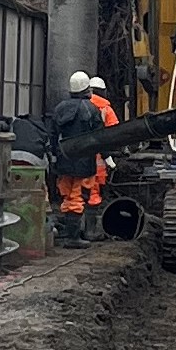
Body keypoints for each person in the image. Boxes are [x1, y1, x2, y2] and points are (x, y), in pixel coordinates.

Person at [46, 71, 100, 244]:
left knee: (67, 195)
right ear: (86, 88)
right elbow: (100, 136)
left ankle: (69, 233)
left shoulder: (60, 108)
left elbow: (52, 134)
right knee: (78, 196)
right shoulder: (91, 109)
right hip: (84, 163)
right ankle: (73, 237)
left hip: (63, 161)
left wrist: (54, 156)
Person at [81, 75, 120, 233]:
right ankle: (90, 230)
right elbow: (115, 134)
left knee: (75, 194)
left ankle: (78, 229)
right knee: (94, 194)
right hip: (98, 161)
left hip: (77, 159)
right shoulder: (105, 108)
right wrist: (110, 157)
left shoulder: (80, 106)